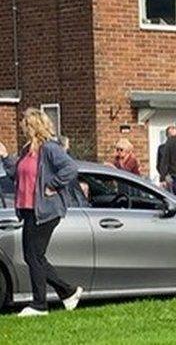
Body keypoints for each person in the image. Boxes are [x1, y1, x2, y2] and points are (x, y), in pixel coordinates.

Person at [0, 108, 83, 317]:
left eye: (25, 124)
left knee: (33, 256)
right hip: (28, 210)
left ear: (33, 126)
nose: (22, 127)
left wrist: (53, 185)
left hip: (45, 210)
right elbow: (16, 176)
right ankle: (67, 291)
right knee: (34, 257)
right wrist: (5, 156)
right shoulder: (28, 149)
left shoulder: (49, 148)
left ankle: (40, 304)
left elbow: (70, 168)